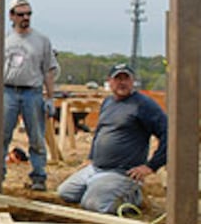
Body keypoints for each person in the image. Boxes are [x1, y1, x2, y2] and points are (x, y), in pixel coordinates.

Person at [57, 63, 167, 214]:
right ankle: (101, 188)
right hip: (96, 168)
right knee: (65, 193)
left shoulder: (143, 105)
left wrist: (151, 166)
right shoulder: (108, 102)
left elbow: (168, 133)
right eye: (117, 79)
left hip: (122, 172)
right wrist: (91, 157)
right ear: (110, 81)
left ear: (132, 81)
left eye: (126, 78)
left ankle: (134, 196)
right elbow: (100, 132)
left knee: (93, 204)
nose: (122, 82)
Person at [3, 0, 58, 192]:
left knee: (36, 136)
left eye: (28, 14)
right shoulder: (5, 40)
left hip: (32, 92)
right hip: (8, 90)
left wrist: (50, 97)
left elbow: (49, 70)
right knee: (2, 135)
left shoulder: (41, 41)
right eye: (21, 14)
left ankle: (38, 176)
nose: (25, 17)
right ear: (12, 16)